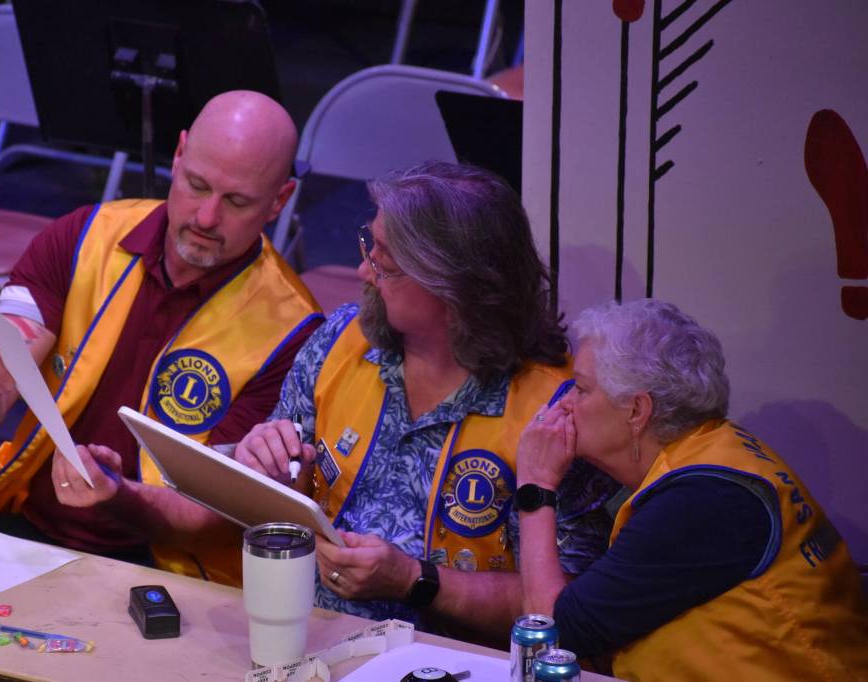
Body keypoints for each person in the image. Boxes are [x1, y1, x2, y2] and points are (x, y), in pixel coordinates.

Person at [0, 91, 324, 582]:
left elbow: (217, 519)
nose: (207, 217)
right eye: (197, 185)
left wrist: (117, 495)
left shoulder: (292, 330)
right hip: (27, 525)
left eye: (236, 201)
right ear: (178, 155)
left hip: (169, 568)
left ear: (279, 200)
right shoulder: (82, 237)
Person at [233, 161, 620, 642]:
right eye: (369, 246)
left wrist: (413, 580)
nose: (364, 272)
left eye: (385, 264)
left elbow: (567, 610)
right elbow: (276, 499)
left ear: (455, 290)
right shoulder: (340, 340)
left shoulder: (554, 412)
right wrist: (265, 468)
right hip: (304, 639)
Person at [517, 299, 868, 680]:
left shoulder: (703, 504)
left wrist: (536, 482)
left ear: (636, 410)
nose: (565, 403)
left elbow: (549, 635)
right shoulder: (714, 459)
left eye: (582, 389)